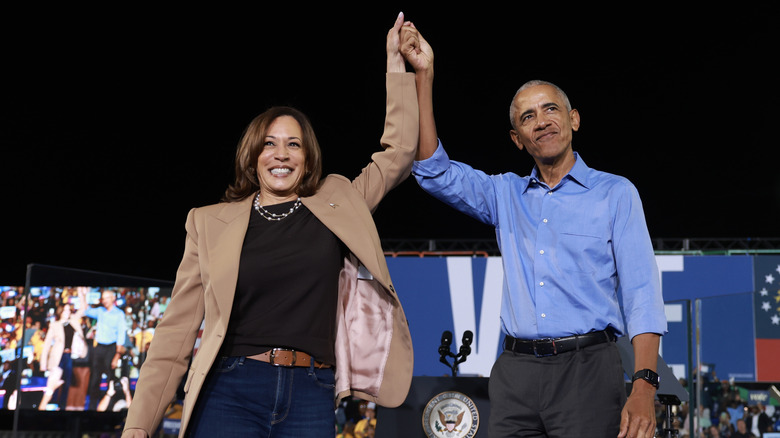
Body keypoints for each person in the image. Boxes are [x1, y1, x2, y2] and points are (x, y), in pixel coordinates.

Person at [121, 13, 423, 437]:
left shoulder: (338, 201)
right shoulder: (208, 223)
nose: (281, 154)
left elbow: (400, 151)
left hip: (311, 390)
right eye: (269, 144)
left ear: (307, 156)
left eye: (293, 144)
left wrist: (397, 64)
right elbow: (176, 331)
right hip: (229, 389)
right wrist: (139, 427)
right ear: (253, 155)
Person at [403, 21, 667, 438]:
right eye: (528, 116)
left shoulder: (615, 193)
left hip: (589, 370)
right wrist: (423, 76)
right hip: (515, 374)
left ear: (574, 119)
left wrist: (644, 385)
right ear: (517, 138)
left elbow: (642, 295)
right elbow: (433, 171)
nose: (541, 121)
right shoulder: (504, 194)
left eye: (550, 109)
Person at [38, 287, 88, 410]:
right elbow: (46, 345)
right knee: (54, 383)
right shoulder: (54, 325)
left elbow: (83, 308)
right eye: (64, 310)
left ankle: (62, 407)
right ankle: (49, 405)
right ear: (60, 312)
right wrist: (43, 364)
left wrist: (82, 295)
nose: (67, 312)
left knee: (67, 384)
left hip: (69, 356)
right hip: (57, 357)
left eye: (68, 310)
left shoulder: (73, 321)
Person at [84, 289, 127, 410]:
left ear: (113, 298)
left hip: (111, 348)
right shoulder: (100, 311)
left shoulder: (119, 314)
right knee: (95, 378)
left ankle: (109, 406)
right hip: (99, 347)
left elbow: (121, 336)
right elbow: (86, 310)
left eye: (107, 298)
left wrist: (117, 355)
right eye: (103, 298)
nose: (104, 300)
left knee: (110, 378)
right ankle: (92, 407)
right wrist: (84, 294)